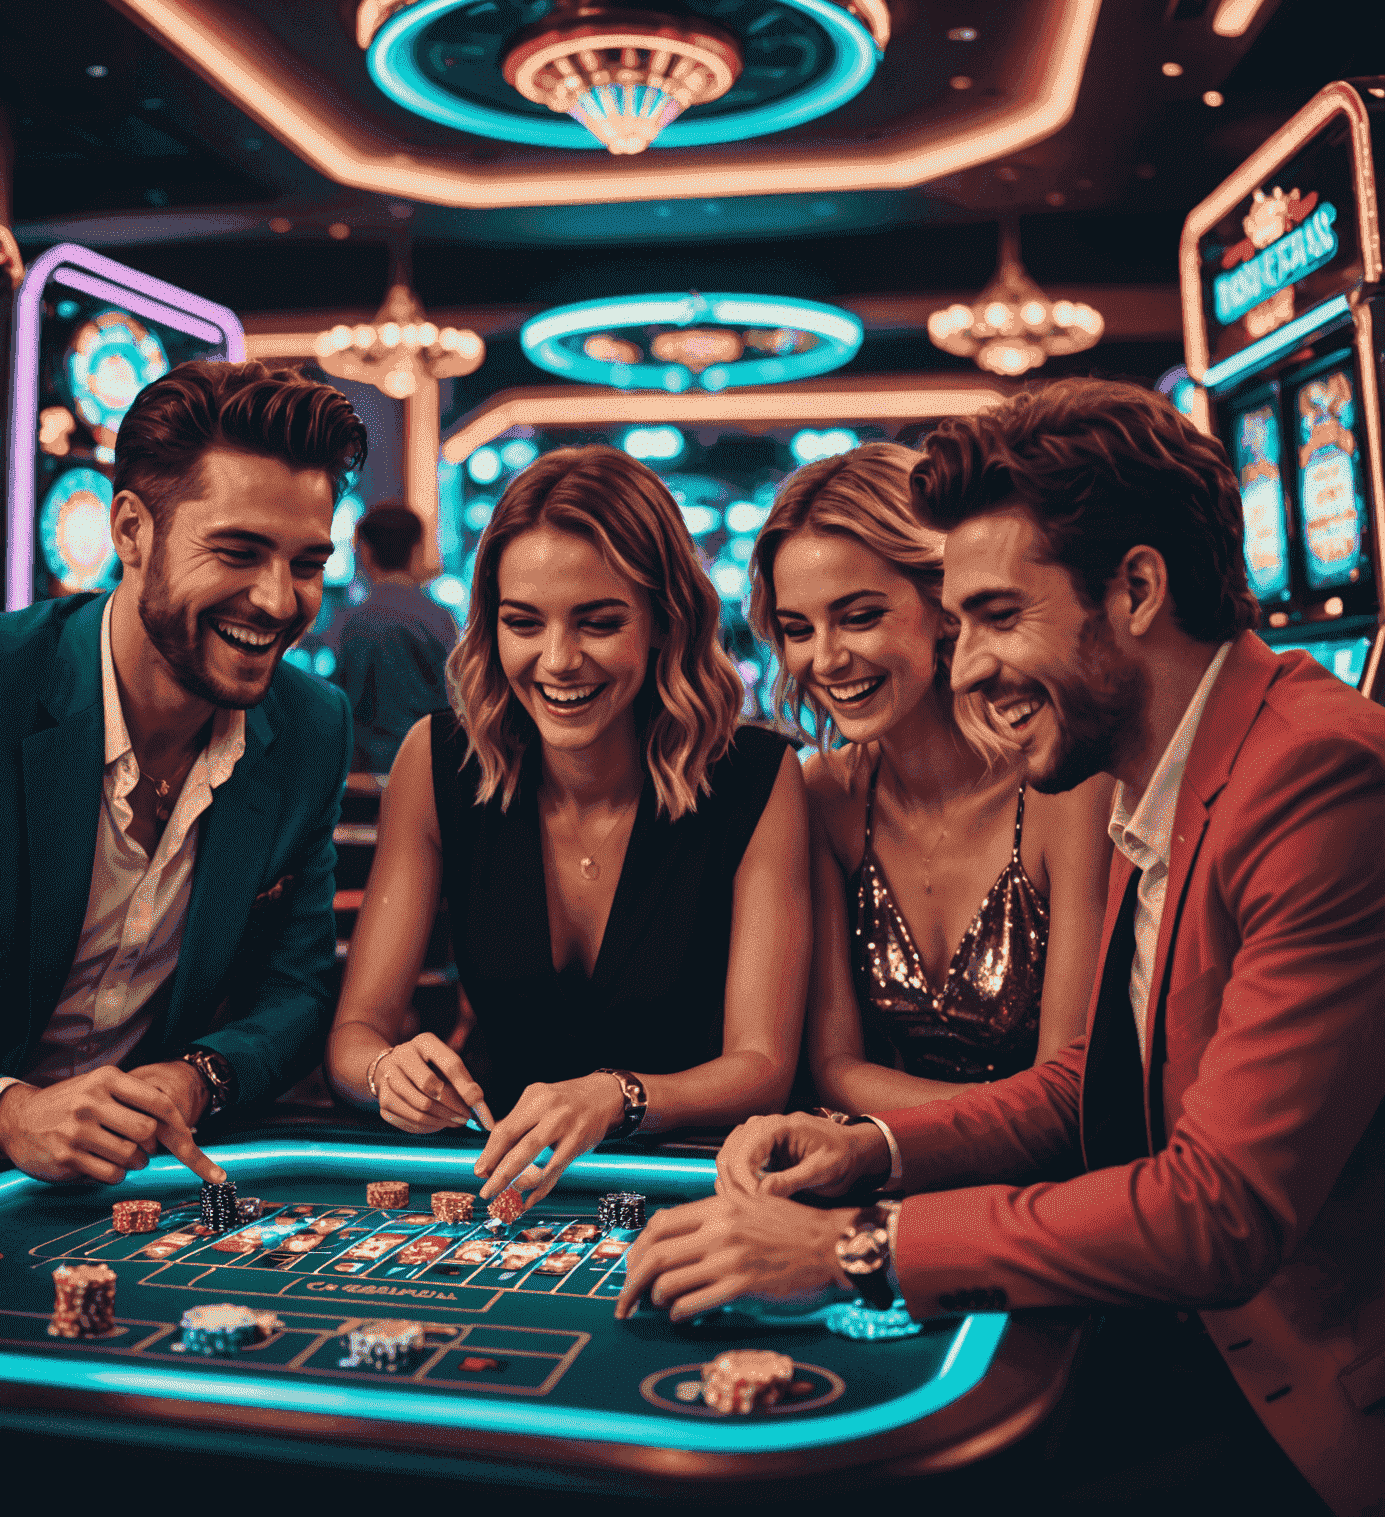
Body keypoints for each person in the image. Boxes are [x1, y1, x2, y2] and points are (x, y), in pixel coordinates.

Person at [619, 380, 1385, 1517]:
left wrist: (855, 1251)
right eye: (959, 618)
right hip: (1169, 1332)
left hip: (1285, 1393)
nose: (967, 665)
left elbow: (1215, 1213)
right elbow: (1089, 1086)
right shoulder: (1149, 761)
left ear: (1134, 588)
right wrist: (870, 1152)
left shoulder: (1315, 779)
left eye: (994, 615)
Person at [0, 360, 366, 1186]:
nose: (276, 601)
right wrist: (4, 1112)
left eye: (306, 563)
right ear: (130, 530)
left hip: (142, 1184)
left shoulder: (311, 726)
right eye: (238, 551)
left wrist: (198, 1078)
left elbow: (296, 994)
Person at [327, 444, 809, 1207]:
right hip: (495, 1183)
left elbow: (761, 1065)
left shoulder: (755, 775)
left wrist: (618, 1095)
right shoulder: (438, 760)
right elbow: (356, 1035)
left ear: (662, 622)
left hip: (693, 1188)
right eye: (524, 622)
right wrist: (391, 1074)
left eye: (598, 622)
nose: (557, 660)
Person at [748, 443, 1112, 1110]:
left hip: (1046, 1192)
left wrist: (888, 1142)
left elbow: (1067, 1091)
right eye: (797, 628)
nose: (826, 659)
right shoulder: (825, 794)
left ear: (945, 606)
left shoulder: (1066, 784)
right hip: (886, 1176)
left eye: (860, 617)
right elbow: (835, 1068)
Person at [335, 501, 458, 774]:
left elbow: (346, 707)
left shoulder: (354, 623)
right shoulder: (440, 619)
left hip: (365, 772)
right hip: (430, 767)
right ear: (417, 550)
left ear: (364, 552)